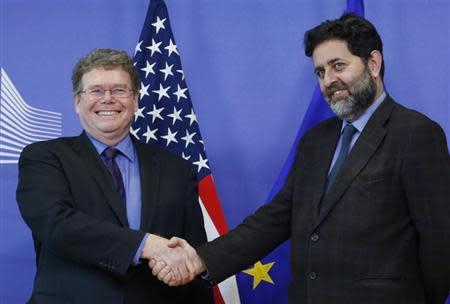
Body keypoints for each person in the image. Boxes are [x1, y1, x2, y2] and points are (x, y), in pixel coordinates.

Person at [150, 13, 450, 304]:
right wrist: (201, 258)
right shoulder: (316, 141)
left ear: (373, 63)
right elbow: (276, 218)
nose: (329, 80)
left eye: (338, 65)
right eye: (320, 72)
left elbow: (440, 245)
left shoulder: (416, 134)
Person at [16, 48, 213, 304]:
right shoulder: (44, 158)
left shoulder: (177, 169)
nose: (108, 99)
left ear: (136, 100)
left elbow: (190, 256)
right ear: (77, 101)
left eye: (119, 90)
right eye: (96, 91)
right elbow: (56, 225)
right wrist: (146, 245)